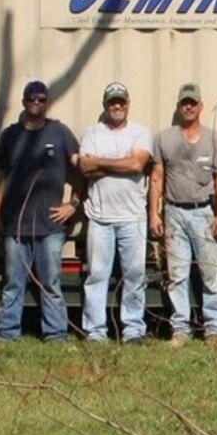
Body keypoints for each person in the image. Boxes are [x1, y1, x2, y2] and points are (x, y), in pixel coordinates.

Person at [0, 79, 80, 342]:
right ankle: (7, 334)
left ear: (47, 103)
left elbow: (81, 169)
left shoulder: (59, 133)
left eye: (41, 99)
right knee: (14, 281)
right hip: (15, 224)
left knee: (50, 283)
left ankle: (56, 334)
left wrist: (72, 205)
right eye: (31, 99)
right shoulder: (10, 135)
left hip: (50, 225)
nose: (36, 103)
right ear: (24, 102)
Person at [149, 82, 217, 347]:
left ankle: (214, 329)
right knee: (177, 274)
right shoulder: (164, 138)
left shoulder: (214, 138)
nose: (188, 107)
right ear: (179, 106)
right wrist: (155, 214)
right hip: (173, 213)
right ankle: (180, 329)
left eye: (193, 103)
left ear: (201, 106)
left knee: (210, 274)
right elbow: (157, 177)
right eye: (184, 102)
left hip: (204, 213)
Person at [75, 81, 153, 343]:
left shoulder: (141, 132)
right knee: (96, 275)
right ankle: (95, 331)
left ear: (128, 104)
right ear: (105, 105)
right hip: (99, 218)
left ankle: (133, 329)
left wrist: (101, 162)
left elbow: (137, 164)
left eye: (121, 101)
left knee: (134, 275)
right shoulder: (93, 133)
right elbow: (85, 169)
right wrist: (121, 165)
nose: (117, 106)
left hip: (133, 217)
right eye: (112, 102)